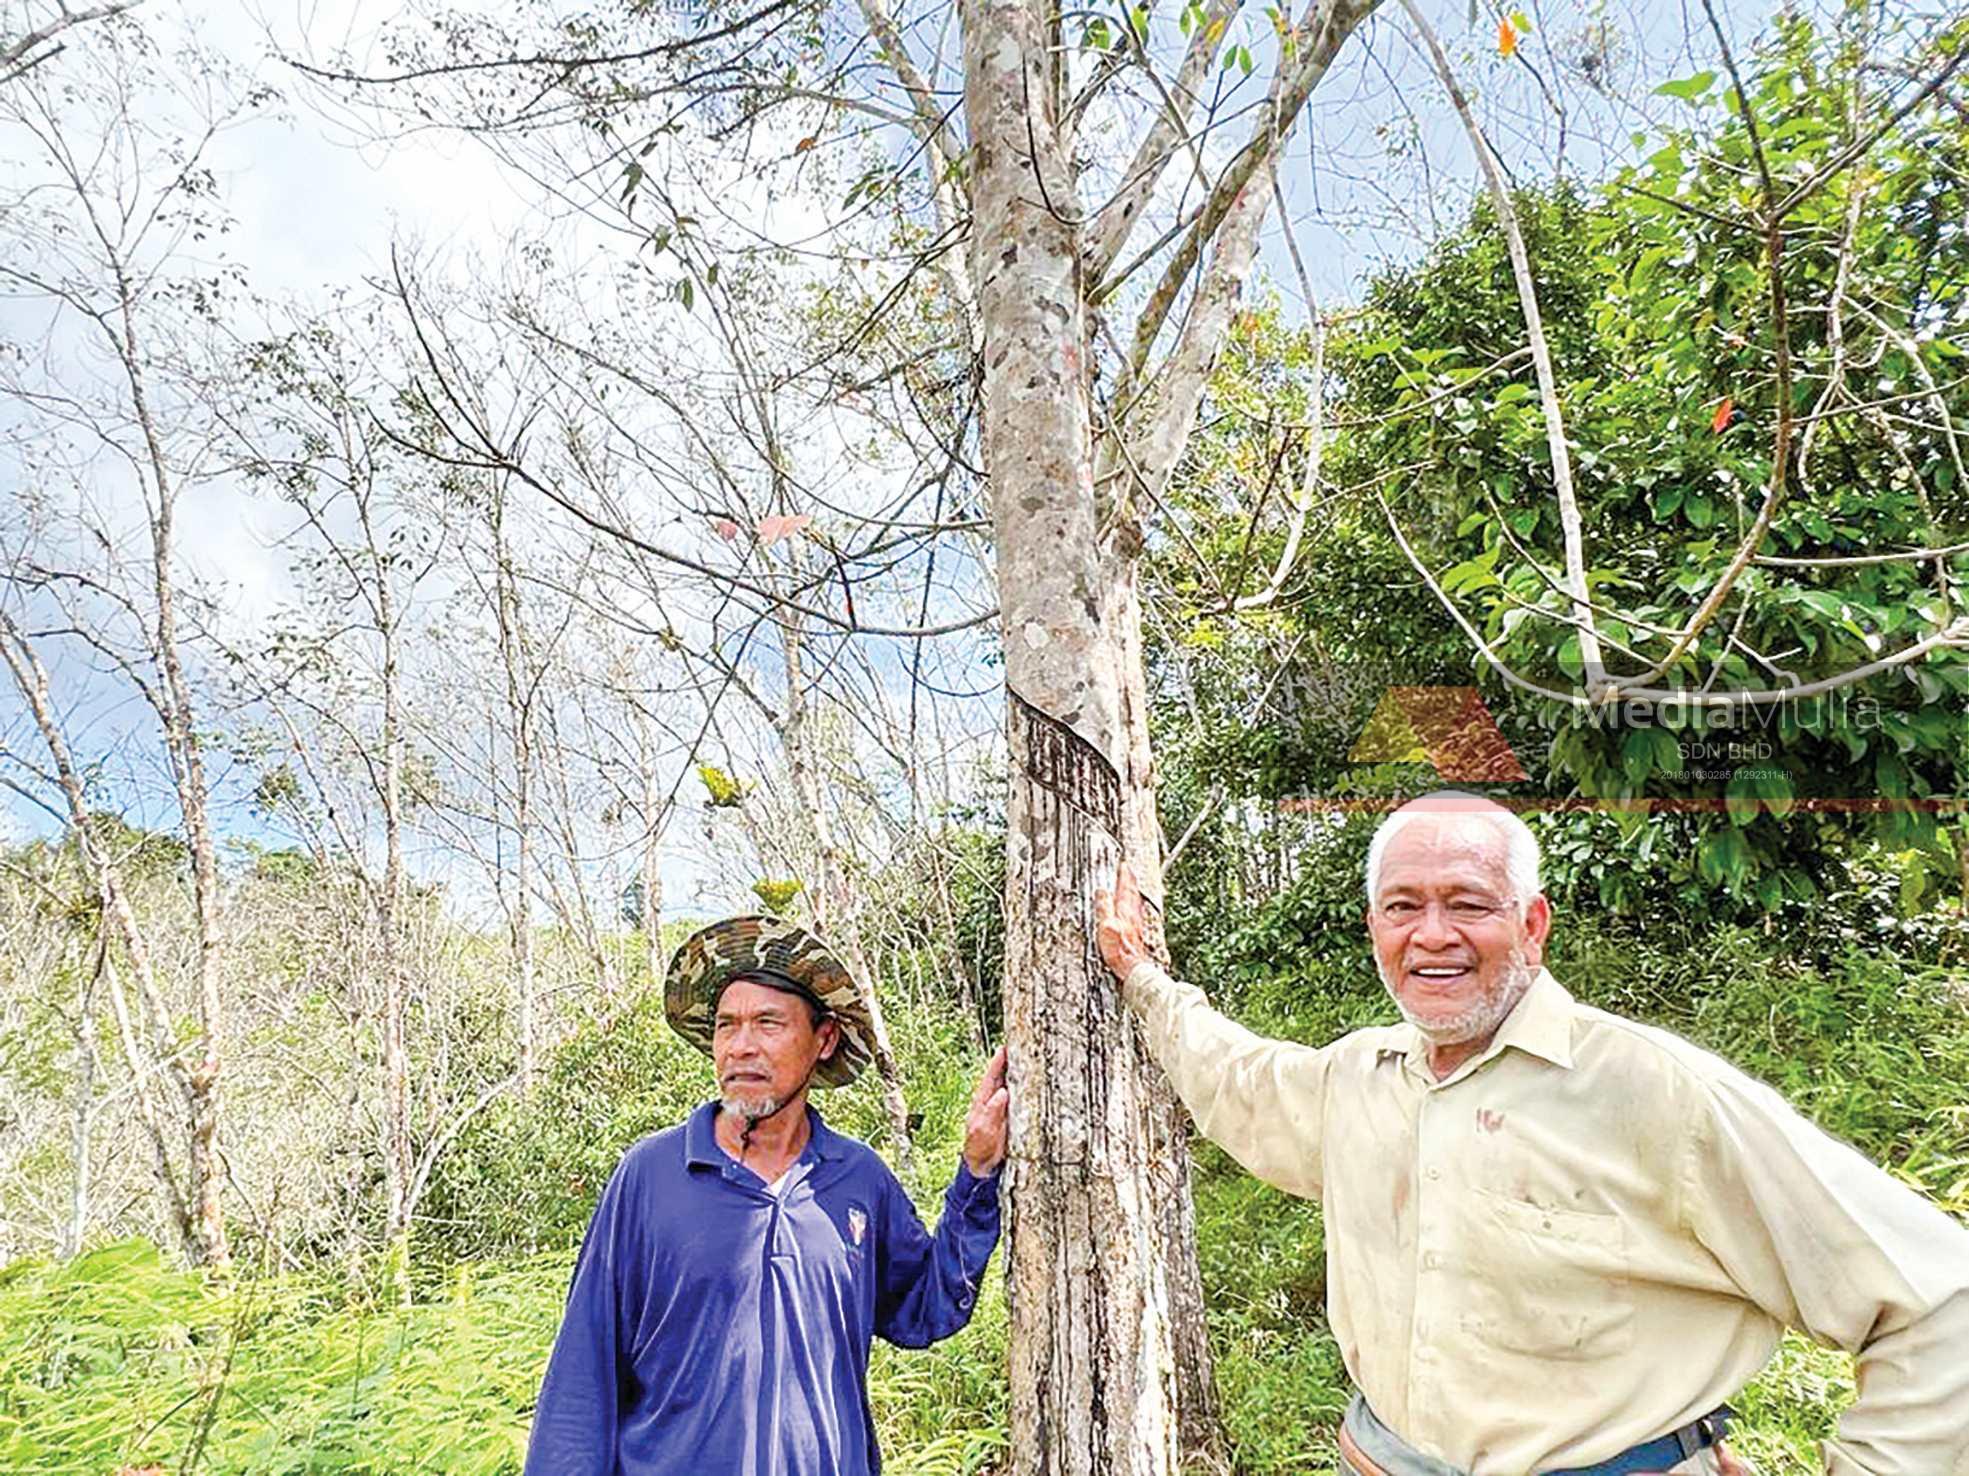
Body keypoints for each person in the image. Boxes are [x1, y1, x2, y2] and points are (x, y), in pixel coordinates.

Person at [1096, 791, 1969, 1476]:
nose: (1431, 935)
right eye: (1402, 907)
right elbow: (1233, 1076)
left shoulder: (1653, 1090)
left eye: (1467, 903)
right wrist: (1141, 979)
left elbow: (1940, 1303)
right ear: (1374, 930)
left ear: (1531, 925)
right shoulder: (1357, 1078)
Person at [524, 914, 1008, 1476]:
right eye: (727, 1026)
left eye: (768, 1023)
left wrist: (977, 1172)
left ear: (823, 1039)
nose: (741, 1047)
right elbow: (582, 1376)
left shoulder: (857, 1180)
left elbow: (926, 1307)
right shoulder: (650, 1177)